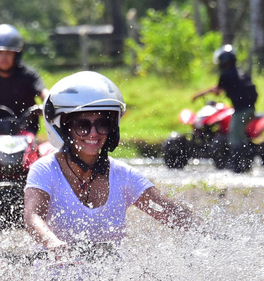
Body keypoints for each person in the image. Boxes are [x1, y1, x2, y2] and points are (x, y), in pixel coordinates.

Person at [24, 71, 199, 259]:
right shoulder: (44, 170)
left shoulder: (123, 175)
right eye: (82, 126)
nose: (93, 134)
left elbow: (171, 211)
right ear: (64, 129)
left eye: (103, 124)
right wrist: (53, 242)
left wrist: (214, 236)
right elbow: (32, 217)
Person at [192, 45, 258, 172]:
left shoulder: (226, 74)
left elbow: (217, 91)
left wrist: (200, 94)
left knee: (234, 139)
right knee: (240, 137)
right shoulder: (239, 72)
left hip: (241, 111)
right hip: (249, 109)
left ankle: (237, 168)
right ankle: (246, 164)